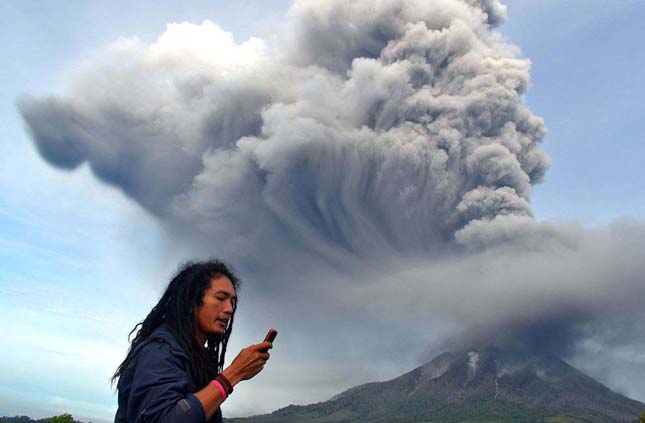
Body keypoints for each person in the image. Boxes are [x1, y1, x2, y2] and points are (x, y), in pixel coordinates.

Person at [112, 259, 272, 423]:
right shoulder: (159, 352)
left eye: (232, 302)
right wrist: (233, 374)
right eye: (221, 298)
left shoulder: (196, 360)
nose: (229, 309)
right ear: (191, 301)